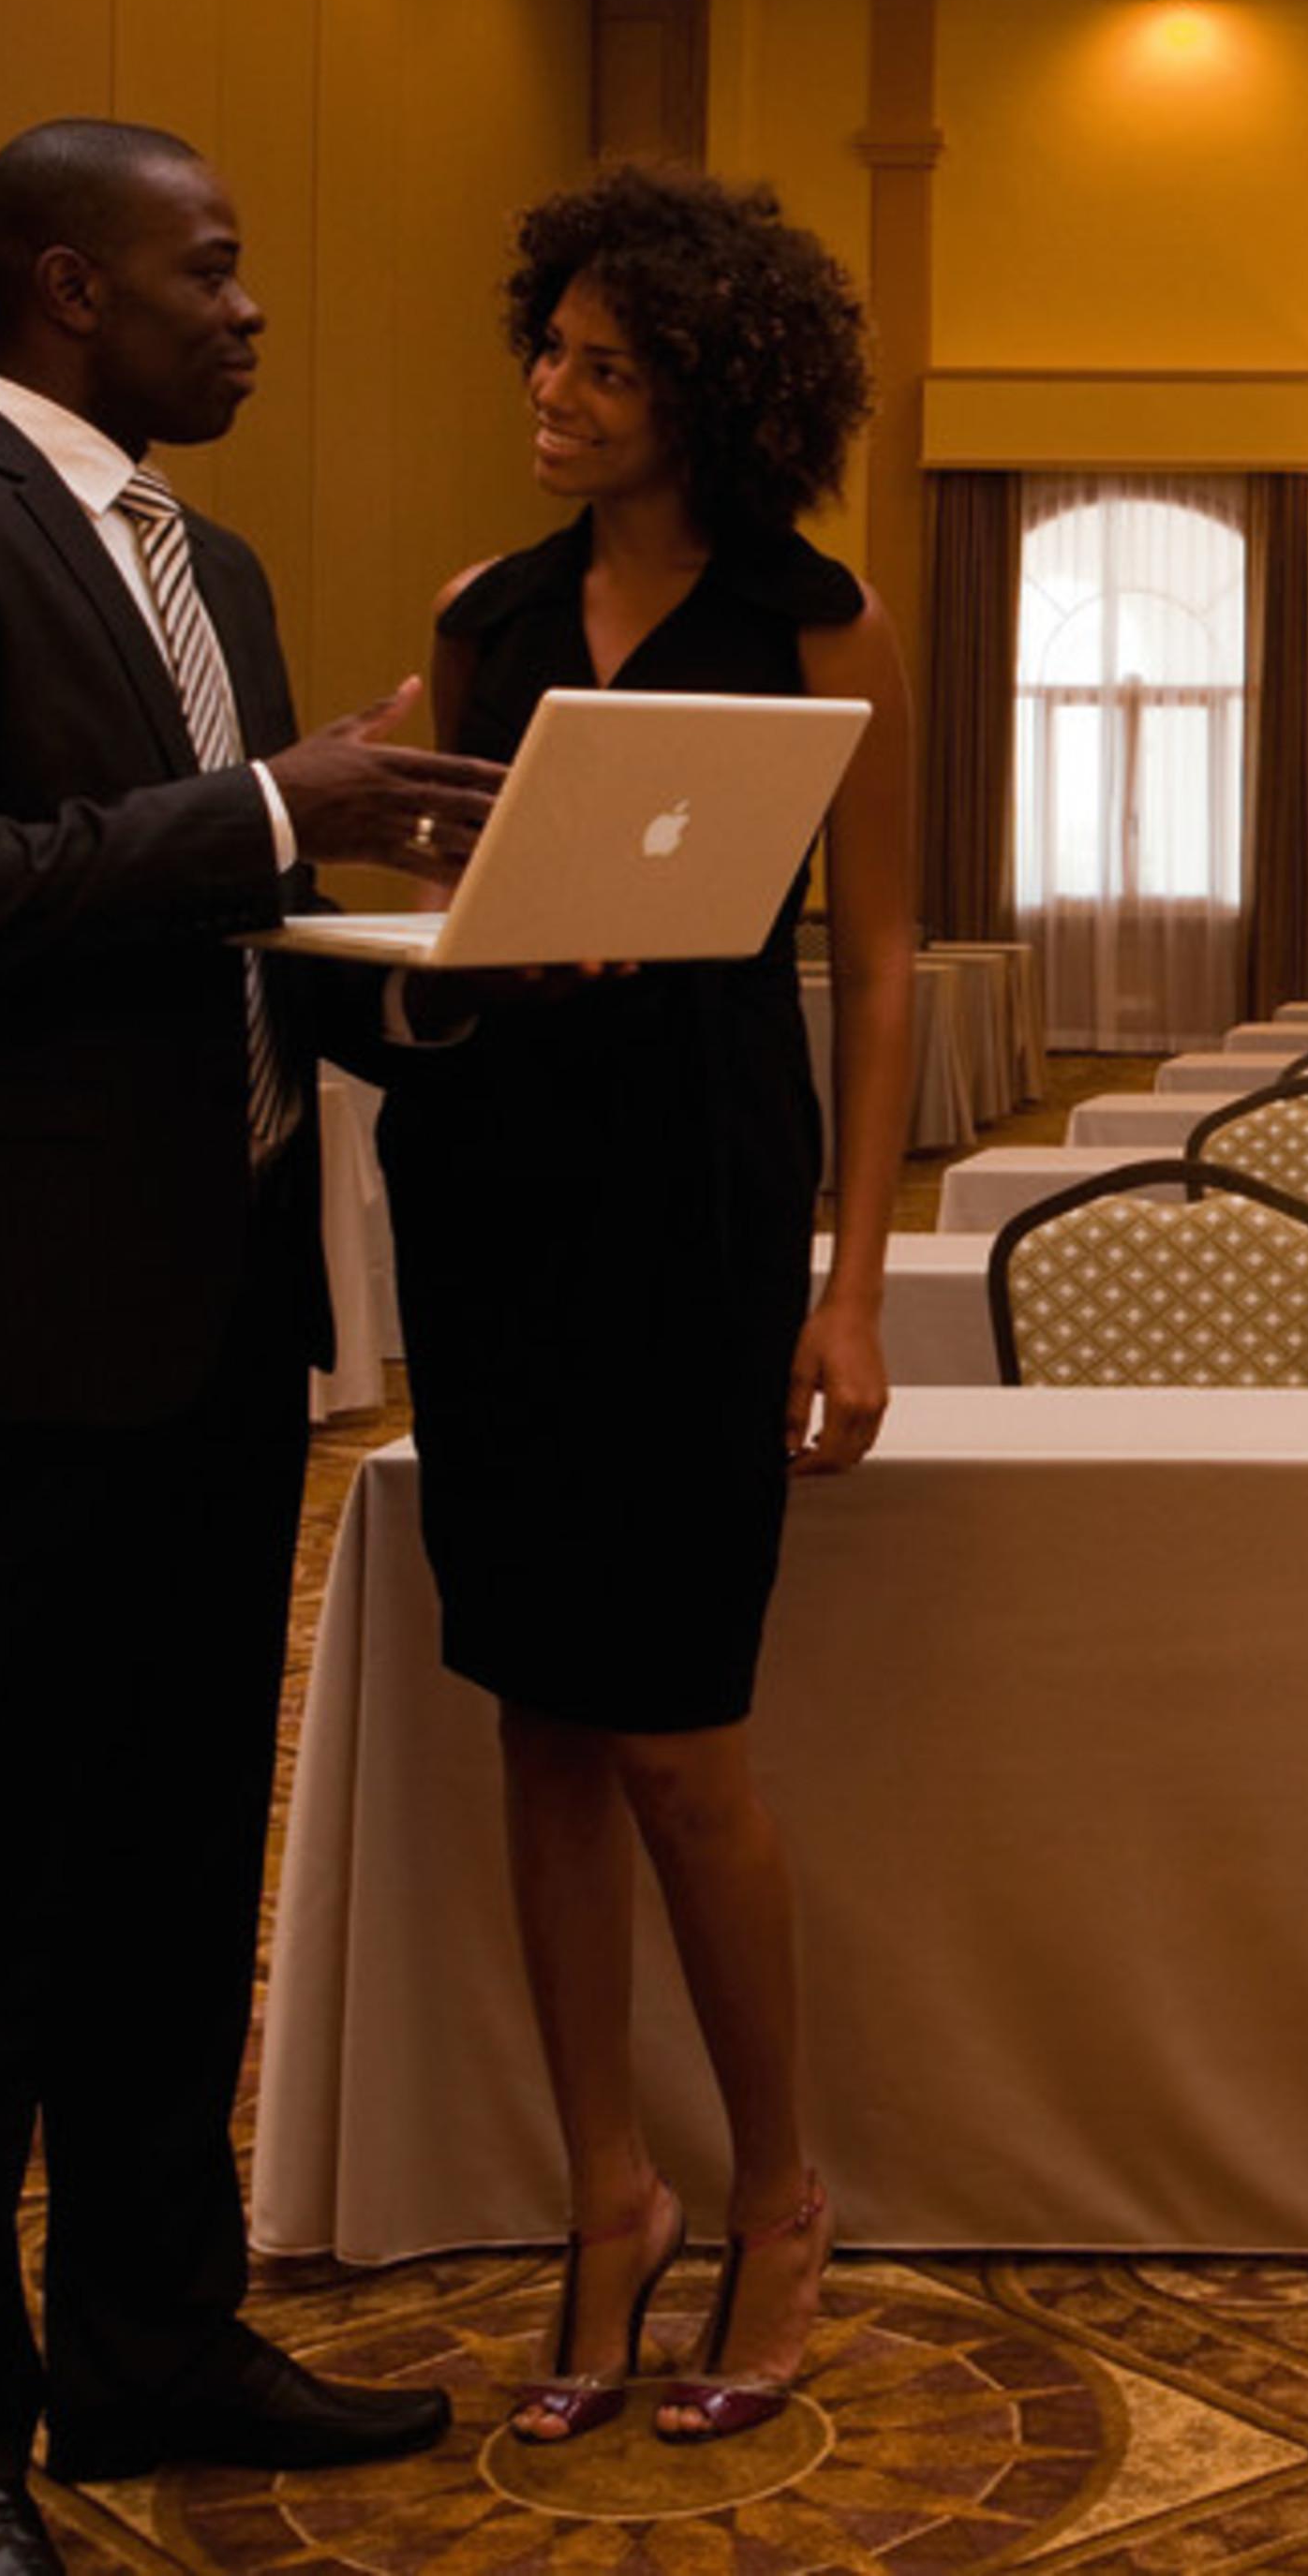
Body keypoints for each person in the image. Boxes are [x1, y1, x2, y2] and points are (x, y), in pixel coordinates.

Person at [0, 120, 508, 2576]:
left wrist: (447, 977)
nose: (253, 308)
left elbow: (236, 928)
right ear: (72, 288)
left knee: (181, 1867)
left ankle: (153, 2336)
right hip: (13, 1326)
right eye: (215, 271)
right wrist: (256, 809)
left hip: (225, 1315)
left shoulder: (230, 571)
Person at [368, 167, 917, 2452]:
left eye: (605, 362)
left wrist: (856, 1282)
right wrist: (416, 863)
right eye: (550, 347)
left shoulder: (820, 617)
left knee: (685, 1738)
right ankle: (608, 2187)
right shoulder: (480, 618)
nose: (555, 390)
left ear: (711, 387)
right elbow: (433, 903)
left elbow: (878, 957)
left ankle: (778, 2190)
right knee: (539, 1723)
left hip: (700, 1195)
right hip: (493, 1186)